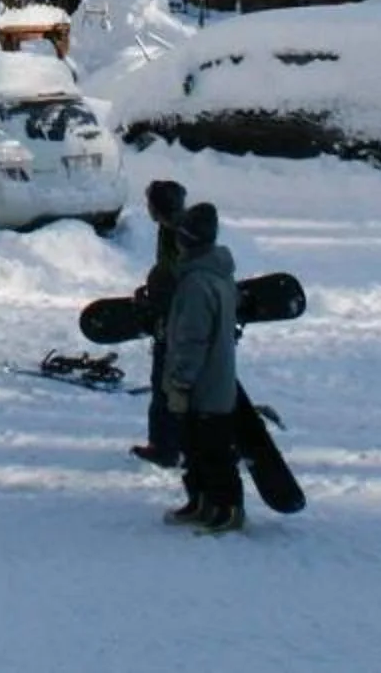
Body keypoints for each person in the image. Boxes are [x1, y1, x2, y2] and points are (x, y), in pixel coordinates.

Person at [159, 200, 244, 535]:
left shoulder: (197, 283)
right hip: (214, 380)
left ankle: (227, 508)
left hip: (205, 384)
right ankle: (202, 501)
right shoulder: (217, 275)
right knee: (194, 446)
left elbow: (192, 338)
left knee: (212, 449)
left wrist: (180, 381)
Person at [129, 179, 188, 473]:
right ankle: (170, 444)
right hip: (175, 318)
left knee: (166, 386)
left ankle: (165, 447)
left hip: (177, 322)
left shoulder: (177, 235)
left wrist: (156, 297)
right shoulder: (174, 230)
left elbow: (175, 277)